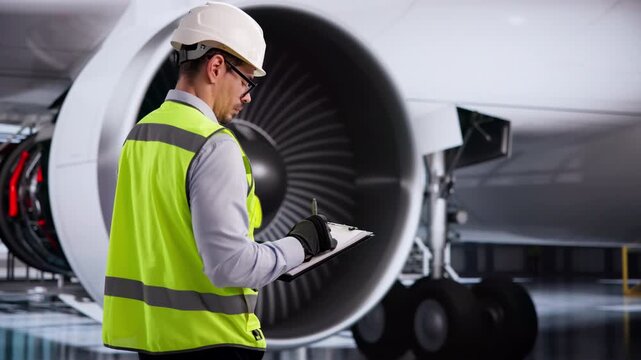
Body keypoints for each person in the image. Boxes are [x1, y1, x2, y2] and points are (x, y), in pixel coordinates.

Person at [101, 3, 336, 359]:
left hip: (154, 341)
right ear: (215, 67)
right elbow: (231, 266)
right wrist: (302, 245)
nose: (249, 95)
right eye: (247, 80)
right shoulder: (212, 145)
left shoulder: (140, 135)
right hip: (211, 342)